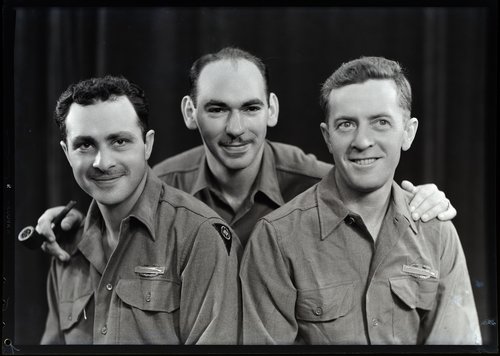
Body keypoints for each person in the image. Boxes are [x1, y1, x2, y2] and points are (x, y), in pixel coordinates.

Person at [36, 47, 456, 260]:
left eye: (251, 108)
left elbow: (371, 183)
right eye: (217, 109)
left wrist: (423, 198)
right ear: (189, 112)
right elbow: (111, 209)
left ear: (271, 109)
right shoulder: (158, 185)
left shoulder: (317, 183)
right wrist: (77, 220)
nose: (236, 129)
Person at [240, 56, 481, 345]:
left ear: (408, 132)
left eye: (380, 122)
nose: (362, 141)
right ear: (327, 137)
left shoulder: (437, 234)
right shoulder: (276, 240)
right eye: (346, 124)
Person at [41, 76, 241, 344]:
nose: (103, 162)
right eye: (85, 145)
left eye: (119, 141)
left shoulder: (200, 237)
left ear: (147, 144)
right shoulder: (66, 245)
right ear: (67, 153)